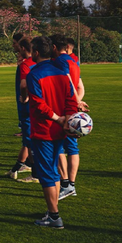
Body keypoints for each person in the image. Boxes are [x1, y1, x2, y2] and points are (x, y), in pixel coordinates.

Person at [26, 36, 78, 229]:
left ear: (36, 52)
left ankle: (54, 217)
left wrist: (58, 118)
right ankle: (52, 211)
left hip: (44, 130)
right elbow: (71, 100)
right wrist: (68, 121)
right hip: (60, 130)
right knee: (54, 172)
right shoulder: (61, 72)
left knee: (47, 174)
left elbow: (38, 104)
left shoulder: (34, 74)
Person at [51, 34, 88, 200]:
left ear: (53, 47)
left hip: (63, 108)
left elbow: (68, 83)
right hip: (71, 107)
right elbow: (80, 86)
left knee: (59, 147)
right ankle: (70, 184)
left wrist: (74, 102)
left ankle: (66, 184)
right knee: (72, 148)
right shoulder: (74, 61)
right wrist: (77, 101)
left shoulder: (59, 61)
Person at [7, 37, 36, 181]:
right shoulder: (40, 63)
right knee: (28, 140)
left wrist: (25, 97)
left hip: (27, 108)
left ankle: (36, 173)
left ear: (23, 48)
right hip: (38, 107)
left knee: (29, 140)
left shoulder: (26, 65)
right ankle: (17, 167)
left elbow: (24, 85)